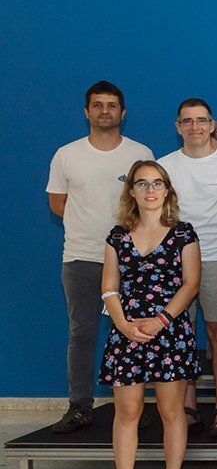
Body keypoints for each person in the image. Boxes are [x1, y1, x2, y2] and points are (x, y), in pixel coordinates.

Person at [47, 80, 154, 434]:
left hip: (132, 262)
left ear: (122, 113)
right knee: (82, 333)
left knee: (136, 331)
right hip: (81, 257)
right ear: (87, 112)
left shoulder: (139, 153)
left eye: (111, 105)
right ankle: (79, 406)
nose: (104, 110)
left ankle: (138, 406)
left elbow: (150, 203)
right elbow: (58, 205)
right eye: (97, 105)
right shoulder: (67, 154)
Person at [98, 161, 200, 469]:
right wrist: (124, 325)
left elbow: (191, 284)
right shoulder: (117, 235)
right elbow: (109, 287)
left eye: (157, 183)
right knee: (127, 412)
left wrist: (161, 320)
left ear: (168, 190)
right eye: (142, 184)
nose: (150, 190)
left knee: (172, 411)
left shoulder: (184, 233)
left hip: (168, 333)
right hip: (127, 333)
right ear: (132, 192)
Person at [158, 98, 217, 437]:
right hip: (172, 263)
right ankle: (189, 405)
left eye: (201, 120)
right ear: (178, 126)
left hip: (216, 259)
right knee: (179, 335)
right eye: (187, 121)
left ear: (213, 126)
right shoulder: (163, 167)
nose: (194, 126)